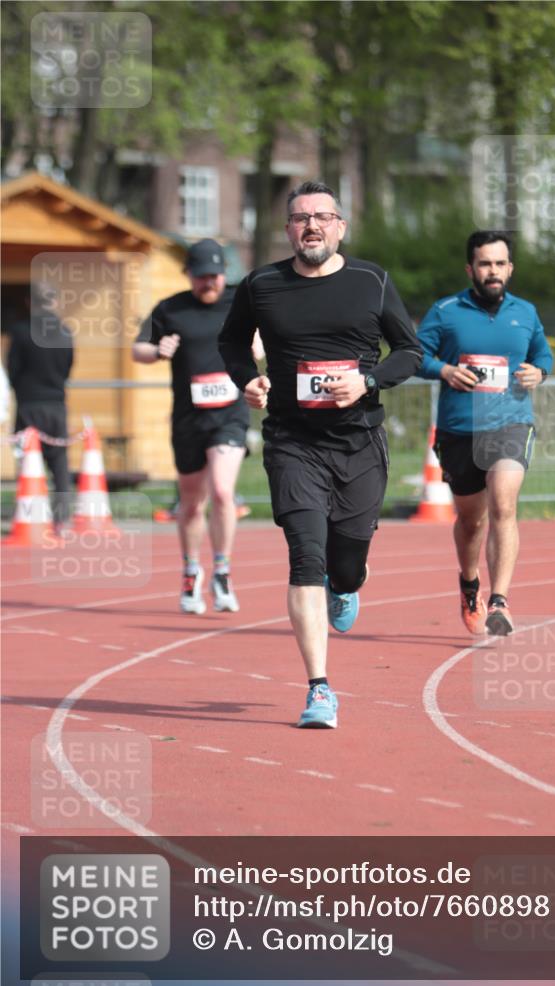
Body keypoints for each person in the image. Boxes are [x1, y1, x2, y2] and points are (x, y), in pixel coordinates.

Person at [219, 180, 422, 729]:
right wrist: (249, 380)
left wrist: (368, 382)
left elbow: (410, 350)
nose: (311, 225)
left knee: (345, 566)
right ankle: (319, 689)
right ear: (288, 229)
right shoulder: (261, 284)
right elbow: (232, 342)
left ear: (340, 226)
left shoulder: (370, 280)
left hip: (359, 441)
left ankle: (348, 582)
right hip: (292, 441)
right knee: (306, 556)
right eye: (301, 217)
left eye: (322, 216)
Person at [416, 230, 553, 636]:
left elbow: (542, 353)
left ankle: (500, 600)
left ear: (510, 268)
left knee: (503, 505)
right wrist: (443, 369)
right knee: (472, 521)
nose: (492, 271)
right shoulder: (445, 311)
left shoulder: (525, 313)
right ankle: (469, 582)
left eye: (499, 264)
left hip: (510, 422)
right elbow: (414, 354)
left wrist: (539, 371)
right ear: (470, 268)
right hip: (460, 430)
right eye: (484, 264)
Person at [133, 239, 250, 615]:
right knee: (191, 502)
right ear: (189, 276)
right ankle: (190, 570)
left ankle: (223, 570)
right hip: (188, 418)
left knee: (221, 491)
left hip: (229, 414)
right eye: (201, 277)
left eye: (215, 276)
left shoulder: (240, 302)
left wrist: (260, 345)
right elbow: (138, 348)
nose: (209, 283)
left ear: (224, 274)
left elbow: (268, 332)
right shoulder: (170, 308)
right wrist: (157, 350)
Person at [7, 283, 74, 529]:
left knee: (27, 463)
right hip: (57, 404)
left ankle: (29, 516)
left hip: (29, 405)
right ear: (54, 301)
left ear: (30, 302)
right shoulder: (66, 332)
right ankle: (62, 519)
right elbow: (68, 366)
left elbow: (13, 370)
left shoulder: (22, 331)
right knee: (59, 465)